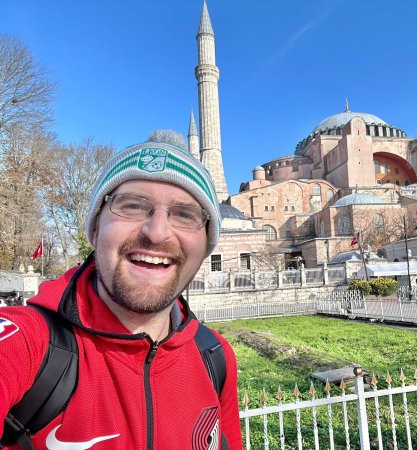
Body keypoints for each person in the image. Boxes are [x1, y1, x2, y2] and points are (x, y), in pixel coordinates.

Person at [0, 142, 242, 449]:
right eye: (133, 206)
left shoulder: (215, 356)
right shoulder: (27, 343)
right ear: (96, 228)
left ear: (206, 243)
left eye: (184, 214)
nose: (157, 233)